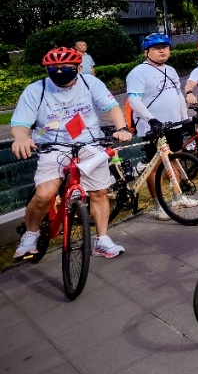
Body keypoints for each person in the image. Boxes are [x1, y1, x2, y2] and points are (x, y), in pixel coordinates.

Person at [11, 48, 133, 259]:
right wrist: (21, 138)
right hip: (53, 147)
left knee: (99, 193)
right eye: (53, 68)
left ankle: (102, 240)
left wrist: (121, 128)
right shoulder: (36, 90)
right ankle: (30, 234)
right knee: (44, 195)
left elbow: (112, 107)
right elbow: (21, 123)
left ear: (78, 67)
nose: (59, 72)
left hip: (89, 144)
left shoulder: (90, 83)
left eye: (65, 67)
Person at [127, 33, 198, 221]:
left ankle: (178, 197)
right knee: (155, 166)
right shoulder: (138, 73)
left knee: (175, 159)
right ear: (146, 52)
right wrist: (151, 119)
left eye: (165, 47)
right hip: (152, 127)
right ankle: (159, 205)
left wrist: (185, 119)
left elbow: (178, 96)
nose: (162, 51)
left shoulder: (171, 70)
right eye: (156, 48)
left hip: (173, 124)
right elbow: (134, 100)